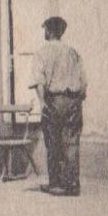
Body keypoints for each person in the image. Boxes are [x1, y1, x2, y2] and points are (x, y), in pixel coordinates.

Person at [31, 15, 87, 196]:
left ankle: (55, 183)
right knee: (71, 142)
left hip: (54, 101)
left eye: (45, 30)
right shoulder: (73, 52)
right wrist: (77, 100)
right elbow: (83, 81)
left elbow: (40, 82)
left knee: (53, 142)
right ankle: (71, 184)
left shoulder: (42, 52)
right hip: (73, 100)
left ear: (48, 30)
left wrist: (42, 103)